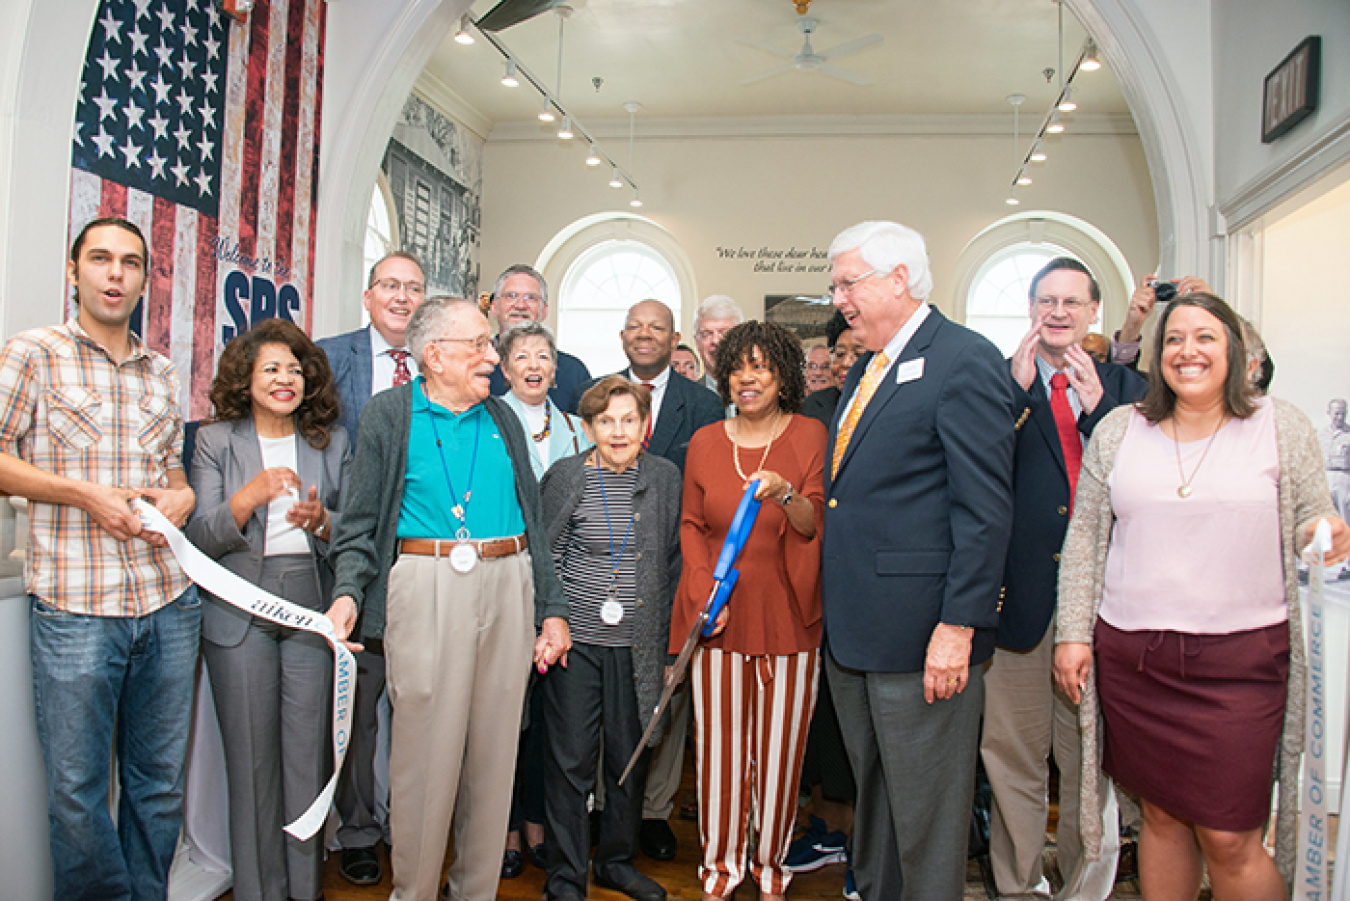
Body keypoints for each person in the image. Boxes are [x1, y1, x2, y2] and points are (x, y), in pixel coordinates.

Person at [1053, 292, 1350, 899]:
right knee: (1160, 819)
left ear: (1234, 350)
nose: (1189, 350)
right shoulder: (1120, 429)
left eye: (1205, 337)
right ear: (1158, 353)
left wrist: (1322, 532)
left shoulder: (1280, 424)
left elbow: (1312, 513)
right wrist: (1073, 635)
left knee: (1230, 835)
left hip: (1241, 666)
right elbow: (1085, 540)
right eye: (1174, 338)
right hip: (1136, 663)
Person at [325, 296, 570, 901]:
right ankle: (413, 892)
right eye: (482, 345)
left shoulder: (504, 418)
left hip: (507, 581)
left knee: (493, 761)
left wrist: (552, 609)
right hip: (426, 583)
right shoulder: (390, 415)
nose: (495, 356)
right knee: (425, 763)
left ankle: (475, 892)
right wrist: (350, 594)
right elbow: (358, 525)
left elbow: (534, 525)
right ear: (435, 354)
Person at [0, 217, 200, 900]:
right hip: (75, 608)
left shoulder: (163, 371)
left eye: (130, 263)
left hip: (169, 603)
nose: (115, 274)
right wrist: (82, 494)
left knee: (160, 787)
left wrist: (182, 496)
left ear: (146, 278)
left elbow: (173, 472)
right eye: (101, 260)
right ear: (73, 270)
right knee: (77, 791)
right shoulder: (33, 353)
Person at [821, 220, 1015, 901]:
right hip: (856, 631)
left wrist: (958, 623)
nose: (839, 296)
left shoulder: (963, 359)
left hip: (922, 633)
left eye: (850, 281)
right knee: (877, 796)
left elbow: (985, 508)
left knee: (927, 812)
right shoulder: (872, 365)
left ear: (899, 278)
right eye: (836, 282)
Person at [981, 257, 1145, 901]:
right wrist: (1015, 399)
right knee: (1013, 760)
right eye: (1046, 300)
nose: (1058, 312)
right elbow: (978, 479)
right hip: (1016, 604)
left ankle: (1084, 888)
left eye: (1072, 302)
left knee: (1086, 769)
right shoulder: (997, 384)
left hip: (1103, 605)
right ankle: (1017, 888)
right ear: (1029, 309)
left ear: (1093, 312)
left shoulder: (1129, 390)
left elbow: (1144, 479)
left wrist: (1101, 409)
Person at [186, 318, 350, 901]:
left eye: (294, 369)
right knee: (252, 769)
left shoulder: (330, 441)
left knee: (305, 763)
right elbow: (201, 537)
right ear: (246, 377)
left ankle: (305, 892)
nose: (286, 379)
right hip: (238, 612)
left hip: (309, 606)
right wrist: (250, 496)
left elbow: (352, 531)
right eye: (271, 369)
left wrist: (321, 522)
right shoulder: (215, 440)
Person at [675, 320, 827, 900]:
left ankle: (770, 871)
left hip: (790, 618)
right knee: (718, 755)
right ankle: (720, 872)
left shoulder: (811, 435)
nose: (747, 376)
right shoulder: (705, 442)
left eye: (761, 365)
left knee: (781, 757)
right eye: (739, 365)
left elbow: (815, 522)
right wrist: (699, 593)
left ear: (783, 375)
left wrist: (785, 493)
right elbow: (691, 525)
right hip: (719, 619)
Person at [581, 297, 722, 859]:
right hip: (603, 568)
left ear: (673, 338)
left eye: (656, 327)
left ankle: (655, 812)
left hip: (675, 562)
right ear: (622, 337)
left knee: (667, 694)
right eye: (635, 326)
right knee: (603, 697)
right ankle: (602, 805)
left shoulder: (704, 404)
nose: (645, 335)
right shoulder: (593, 393)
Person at [539, 376, 682, 901]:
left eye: (629, 420)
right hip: (575, 643)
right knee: (570, 762)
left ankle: (616, 863)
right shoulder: (565, 476)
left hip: (638, 647)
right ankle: (565, 876)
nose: (618, 432)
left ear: (644, 425)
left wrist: (670, 648)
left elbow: (675, 561)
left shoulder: (665, 477)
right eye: (606, 421)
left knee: (629, 755)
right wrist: (550, 622)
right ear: (588, 425)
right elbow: (545, 555)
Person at [316, 249, 427, 886]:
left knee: (420, 709)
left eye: (414, 288)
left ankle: (412, 827)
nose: (402, 297)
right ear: (367, 295)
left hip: (426, 560)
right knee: (355, 710)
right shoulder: (330, 360)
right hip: (350, 557)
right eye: (390, 285)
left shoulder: (441, 366)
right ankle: (358, 830)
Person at [498, 321, 593, 878]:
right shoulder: (489, 422)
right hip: (506, 587)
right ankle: (504, 829)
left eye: (544, 356)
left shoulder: (580, 431)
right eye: (522, 356)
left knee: (552, 721)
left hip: (563, 597)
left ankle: (537, 825)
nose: (534, 365)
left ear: (557, 370)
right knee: (505, 718)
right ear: (505, 368)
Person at [487, 264, 592, 413]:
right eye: (511, 296)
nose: (521, 305)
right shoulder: (476, 367)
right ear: (494, 307)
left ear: (544, 311)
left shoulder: (573, 371)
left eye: (531, 298)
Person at [800, 310, 864, 427]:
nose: (845, 363)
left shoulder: (891, 406)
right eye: (840, 354)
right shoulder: (811, 407)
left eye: (859, 355)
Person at [692, 295, 744, 392]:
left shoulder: (762, 396)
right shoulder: (686, 398)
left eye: (724, 333)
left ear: (741, 340)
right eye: (706, 334)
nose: (716, 341)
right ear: (697, 343)